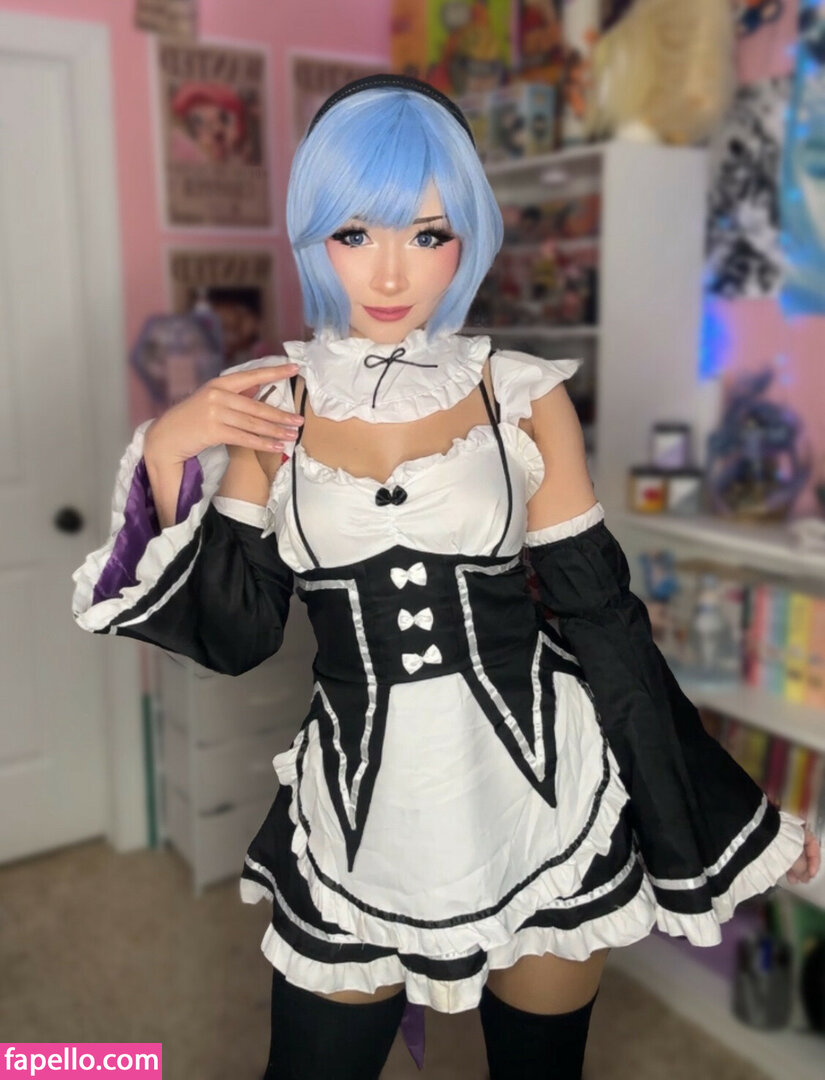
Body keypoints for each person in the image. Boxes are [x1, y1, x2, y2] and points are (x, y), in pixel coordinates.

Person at [72, 75, 820, 1080]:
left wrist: (728, 812)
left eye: (428, 234)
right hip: (361, 816)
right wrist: (170, 447)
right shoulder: (274, 405)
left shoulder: (519, 394)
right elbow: (239, 634)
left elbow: (603, 621)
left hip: (543, 801)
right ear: (313, 236)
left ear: (468, 235)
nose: (390, 271)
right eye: (354, 233)